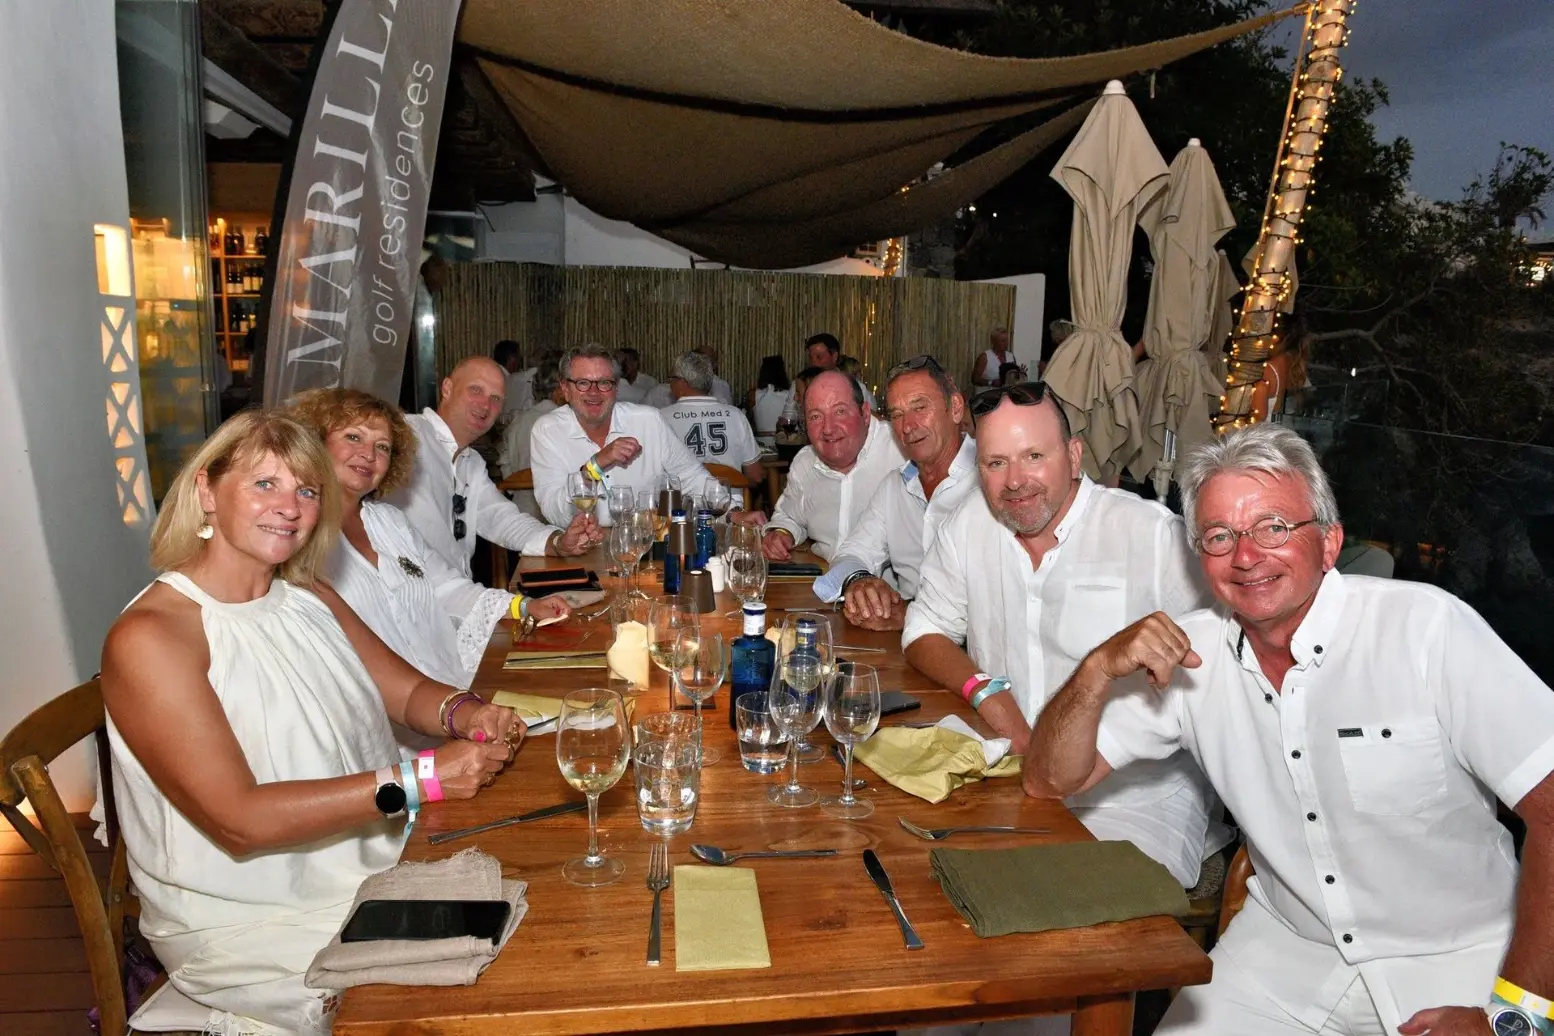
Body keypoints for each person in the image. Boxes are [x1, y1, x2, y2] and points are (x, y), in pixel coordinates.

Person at [1024, 424, 1554, 1036]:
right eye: (1219, 536)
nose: (1246, 556)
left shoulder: (1425, 629)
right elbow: (1048, 780)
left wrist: (1519, 1015)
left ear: (1329, 543)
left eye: (1273, 527)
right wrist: (1095, 670)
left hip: (1459, 957)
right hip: (1284, 952)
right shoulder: (1191, 653)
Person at [99, 411, 523, 1035]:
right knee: (461, 1010)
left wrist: (467, 711)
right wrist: (422, 780)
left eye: (306, 489)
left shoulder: (306, 595)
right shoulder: (153, 637)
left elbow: (406, 691)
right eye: (264, 484)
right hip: (250, 916)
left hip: (373, 865)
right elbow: (240, 821)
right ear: (206, 491)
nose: (289, 506)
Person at [902, 382, 1219, 889]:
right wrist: (988, 694)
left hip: (1130, 800)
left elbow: (1225, 654)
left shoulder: (1152, 535)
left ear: (1073, 456)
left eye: (1034, 456)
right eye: (996, 463)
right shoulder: (969, 524)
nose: (1015, 482)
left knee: (1053, 906)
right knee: (914, 876)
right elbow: (924, 628)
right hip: (1009, 776)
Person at [287, 387, 569, 694]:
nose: (369, 455)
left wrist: (524, 607)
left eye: (382, 447)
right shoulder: (294, 536)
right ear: (315, 442)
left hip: (449, 684)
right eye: (353, 437)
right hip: (382, 710)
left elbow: (447, 587)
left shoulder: (390, 522)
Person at [387, 356, 597, 580]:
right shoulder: (409, 434)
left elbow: (502, 519)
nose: (485, 405)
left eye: (496, 398)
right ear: (447, 388)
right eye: (476, 390)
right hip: (408, 594)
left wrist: (557, 542)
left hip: (456, 593)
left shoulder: (472, 462)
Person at [812, 355, 980, 632]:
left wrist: (909, 615)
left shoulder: (992, 480)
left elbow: (1002, 603)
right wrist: (859, 581)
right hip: (903, 646)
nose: (907, 426)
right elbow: (851, 554)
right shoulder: (896, 485)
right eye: (897, 415)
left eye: (920, 407)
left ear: (956, 408)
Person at [530, 343, 758, 527]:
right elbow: (556, 514)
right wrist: (595, 466)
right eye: (582, 383)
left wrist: (733, 513)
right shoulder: (547, 430)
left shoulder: (648, 420)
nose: (594, 392)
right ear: (565, 389)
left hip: (643, 546)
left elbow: (692, 477)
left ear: (616, 388)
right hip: (579, 550)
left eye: (604, 383)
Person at [764, 369, 903, 562]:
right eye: (815, 416)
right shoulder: (805, 463)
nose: (828, 429)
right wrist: (781, 533)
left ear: (865, 413)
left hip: (885, 580)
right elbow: (789, 516)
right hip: (823, 576)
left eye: (840, 412)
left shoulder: (901, 452)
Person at [660, 351, 764, 487]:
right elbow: (756, 476)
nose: (670, 383)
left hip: (682, 500)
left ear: (682, 383)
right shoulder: (736, 416)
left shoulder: (661, 418)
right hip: (730, 499)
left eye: (671, 379)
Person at [500, 358, 563, 516]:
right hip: (555, 511)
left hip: (519, 509)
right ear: (558, 390)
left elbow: (504, 462)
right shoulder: (564, 422)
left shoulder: (518, 421)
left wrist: (515, 486)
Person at [805, 331, 875, 406]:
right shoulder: (804, 385)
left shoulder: (853, 386)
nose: (814, 362)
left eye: (819, 357)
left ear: (834, 356)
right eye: (811, 358)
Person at [748, 354, 793, 439]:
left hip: (760, 441)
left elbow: (749, 419)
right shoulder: (790, 394)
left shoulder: (753, 394)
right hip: (783, 441)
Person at [493, 338, 535, 420]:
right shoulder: (504, 380)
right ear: (511, 358)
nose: (520, 361)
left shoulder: (495, 373)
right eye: (519, 357)